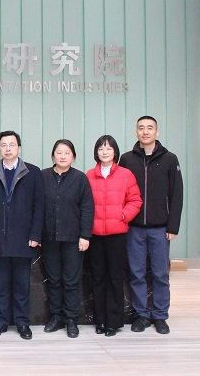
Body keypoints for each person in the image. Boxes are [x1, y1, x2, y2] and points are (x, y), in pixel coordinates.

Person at [119, 116, 183, 335]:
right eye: (141, 128)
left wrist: (173, 226)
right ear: (136, 132)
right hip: (134, 228)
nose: (145, 132)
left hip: (160, 228)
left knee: (160, 274)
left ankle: (160, 316)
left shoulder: (169, 159)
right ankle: (141, 315)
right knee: (136, 274)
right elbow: (120, 192)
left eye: (149, 128)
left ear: (157, 132)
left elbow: (177, 194)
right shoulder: (127, 159)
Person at [0, 131, 44, 340]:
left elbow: (39, 206)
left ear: (19, 148)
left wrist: (35, 234)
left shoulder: (33, 172)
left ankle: (22, 323)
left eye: (12, 144)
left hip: (23, 238)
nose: (8, 148)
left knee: (22, 285)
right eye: (4, 145)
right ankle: (0, 321)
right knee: (1, 284)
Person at [86, 135, 142, 337]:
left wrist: (123, 215)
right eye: (101, 148)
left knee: (115, 277)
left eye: (109, 148)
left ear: (115, 152)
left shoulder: (126, 175)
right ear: (96, 152)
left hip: (117, 234)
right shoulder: (89, 175)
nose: (105, 152)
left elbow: (135, 200)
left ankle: (113, 321)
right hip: (95, 235)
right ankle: (100, 320)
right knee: (98, 277)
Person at [40, 139, 94, 339]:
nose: (62, 156)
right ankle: (56, 317)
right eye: (59, 152)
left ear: (73, 157)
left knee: (71, 281)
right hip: (49, 237)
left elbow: (87, 208)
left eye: (67, 153)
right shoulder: (43, 176)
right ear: (53, 155)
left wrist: (85, 235)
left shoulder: (80, 179)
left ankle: (71, 319)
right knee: (54, 280)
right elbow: (36, 206)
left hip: (73, 238)